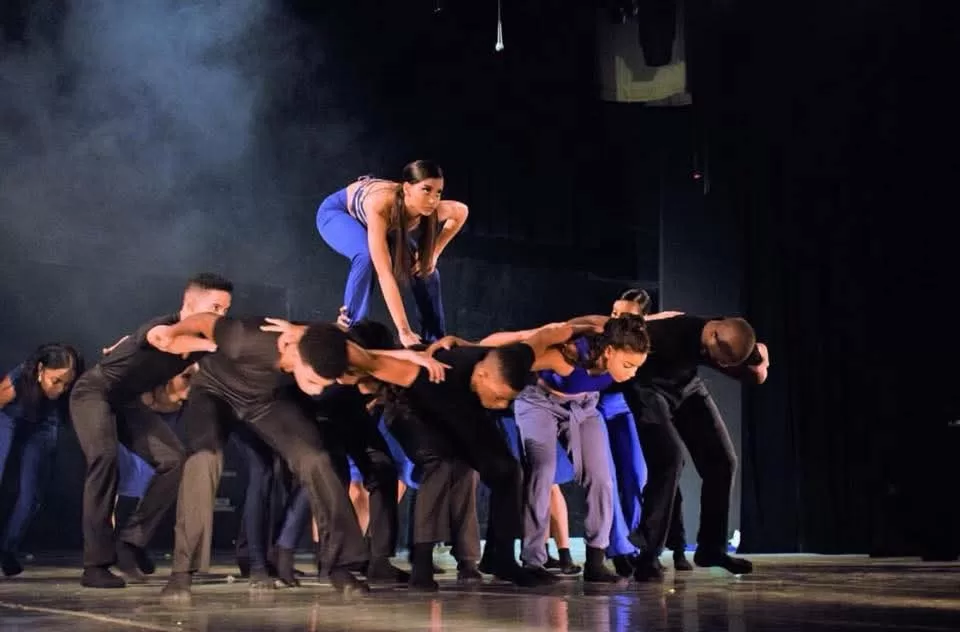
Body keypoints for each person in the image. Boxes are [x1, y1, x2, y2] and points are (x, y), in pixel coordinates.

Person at [158, 314, 448, 601]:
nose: (317, 389)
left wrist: (414, 359)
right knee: (205, 459)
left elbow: (370, 359)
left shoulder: (328, 348)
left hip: (265, 401)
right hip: (214, 393)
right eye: (312, 379)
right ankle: (181, 572)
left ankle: (340, 565)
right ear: (293, 352)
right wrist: (172, 332)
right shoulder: (244, 337)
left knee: (317, 459)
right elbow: (204, 321)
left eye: (326, 383)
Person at [385, 322, 592, 590]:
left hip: (466, 410)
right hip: (412, 411)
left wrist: (596, 325)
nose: (501, 405)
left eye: (507, 400)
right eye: (499, 397)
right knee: (443, 462)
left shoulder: (515, 360)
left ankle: (501, 559)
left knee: (507, 470)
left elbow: (543, 333)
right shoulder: (436, 373)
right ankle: (422, 561)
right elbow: (375, 362)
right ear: (482, 375)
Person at [576, 311, 770, 581]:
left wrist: (760, 357)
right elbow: (611, 329)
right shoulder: (666, 333)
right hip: (648, 389)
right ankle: (647, 554)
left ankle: (711, 549)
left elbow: (758, 369)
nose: (719, 365)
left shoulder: (728, 333)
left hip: (687, 388)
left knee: (723, 461)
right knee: (669, 458)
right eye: (717, 359)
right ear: (712, 335)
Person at [70, 273, 231, 588]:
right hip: (94, 392)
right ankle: (95, 565)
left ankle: (131, 542)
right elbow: (165, 340)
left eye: (225, 310)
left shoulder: (199, 344)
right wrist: (213, 343)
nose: (221, 316)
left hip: (126, 401)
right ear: (190, 304)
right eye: (216, 307)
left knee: (174, 459)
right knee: (104, 459)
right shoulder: (162, 326)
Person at [513, 314, 649, 584]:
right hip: (539, 402)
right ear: (609, 352)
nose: (632, 373)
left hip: (584, 407)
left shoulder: (618, 337)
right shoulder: (569, 355)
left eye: (636, 367)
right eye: (628, 365)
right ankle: (533, 561)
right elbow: (519, 348)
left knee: (602, 478)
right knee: (542, 471)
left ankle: (596, 561)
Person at [316, 160, 469, 346]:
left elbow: (461, 211)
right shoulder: (381, 205)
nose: (432, 200)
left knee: (427, 270)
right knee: (366, 256)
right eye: (426, 190)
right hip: (338, 212)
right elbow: (385, 273)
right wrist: (403, 331)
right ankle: (352, 328)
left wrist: (434, 253)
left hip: (385, 225)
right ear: (407, 189)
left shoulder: (434, 209)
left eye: (438, 192)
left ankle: (434, 338)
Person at [601, 289, 691, 576]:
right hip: (599, 405)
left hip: (630, 408)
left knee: (640, 478)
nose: (617, 318)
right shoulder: (603, 330)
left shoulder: (647, 336)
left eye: (625, 315)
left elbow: (674, 320)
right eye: (615, 313)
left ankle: (650, 546)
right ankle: (618, 549)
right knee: (607, 478)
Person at [0, 344, 81, 576]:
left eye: (66, 384)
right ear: (40, 369)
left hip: (43, 426)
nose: (60, 389)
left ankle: (8, 548)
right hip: (9, 419)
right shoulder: (16, 383)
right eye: (56, 381)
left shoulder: (63, 394)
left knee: (32, 494)